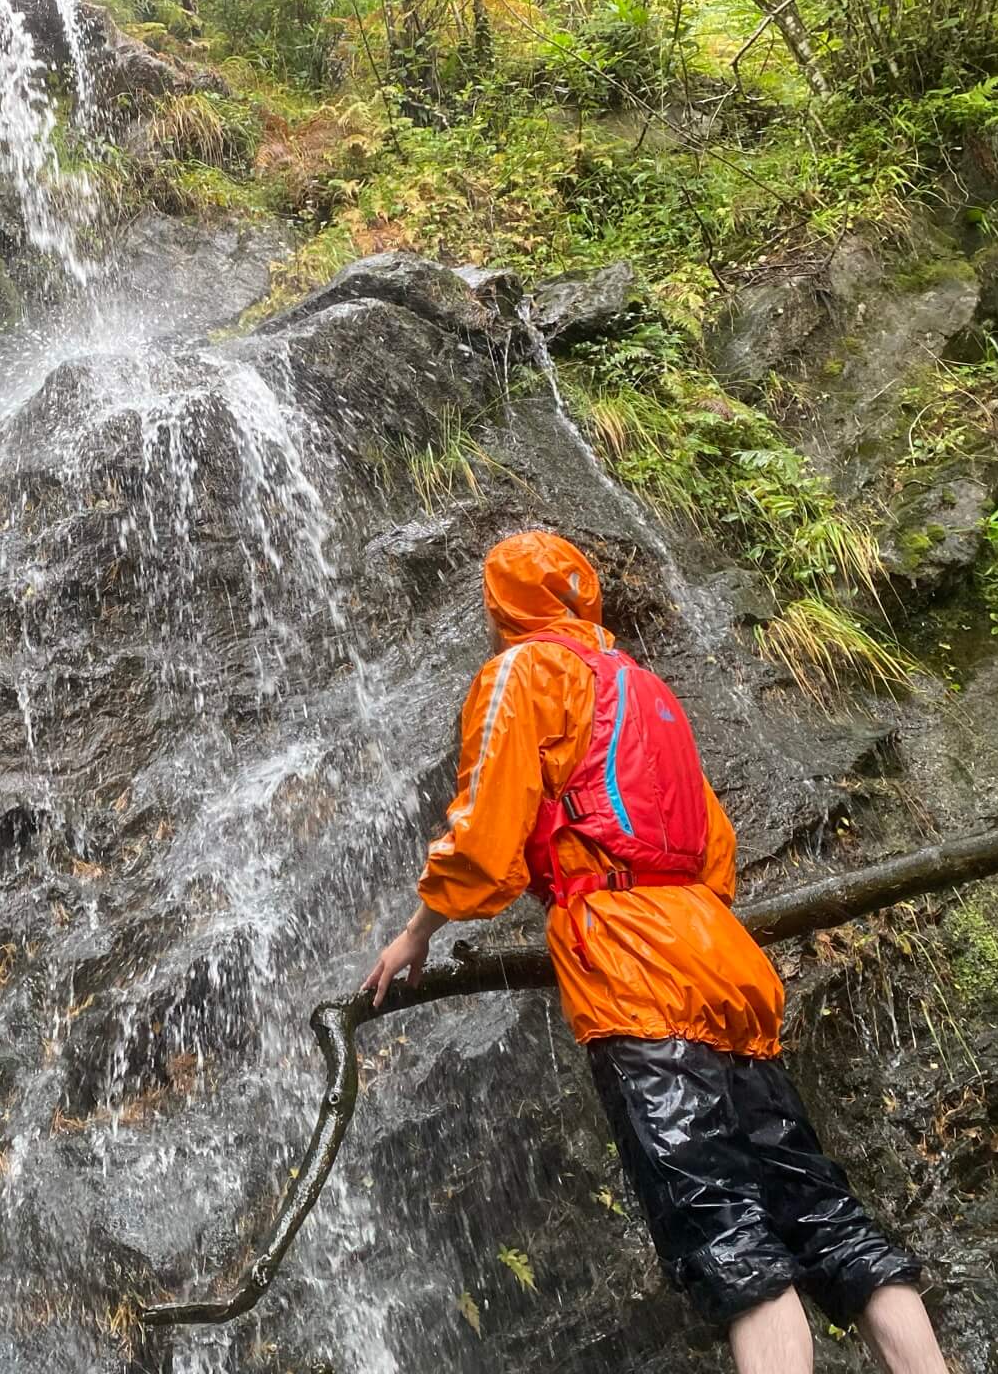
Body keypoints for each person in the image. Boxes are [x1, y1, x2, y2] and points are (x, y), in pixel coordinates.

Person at [362, 531, 948, 1374]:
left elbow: (486, 836)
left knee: (726, 1231)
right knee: (820, 1208)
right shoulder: (646, 688)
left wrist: (418, 930)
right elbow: (715, 846)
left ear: (501, 610)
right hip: (721, 957)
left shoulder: (522, 673)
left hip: (632, 965)